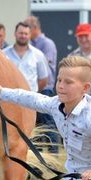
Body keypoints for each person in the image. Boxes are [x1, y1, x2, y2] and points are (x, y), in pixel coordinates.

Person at [25, 15, 59, 153]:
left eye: (27, 28)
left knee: (48, 124)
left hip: (44, 89)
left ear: (34, 28)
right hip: (33, 90)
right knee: (36, 125)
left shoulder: (47, 44)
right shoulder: (30, 44)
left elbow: (45, 66)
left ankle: (53, 155)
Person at [3, 22, 49, 93]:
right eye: (21, 33)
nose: (23, 36)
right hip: (9, 98)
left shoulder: (38, 55)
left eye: (26, 34)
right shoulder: (4, 54)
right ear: (15, 34)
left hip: (31, 99)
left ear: (30, 35)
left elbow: (43, 79)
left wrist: (33, 92)